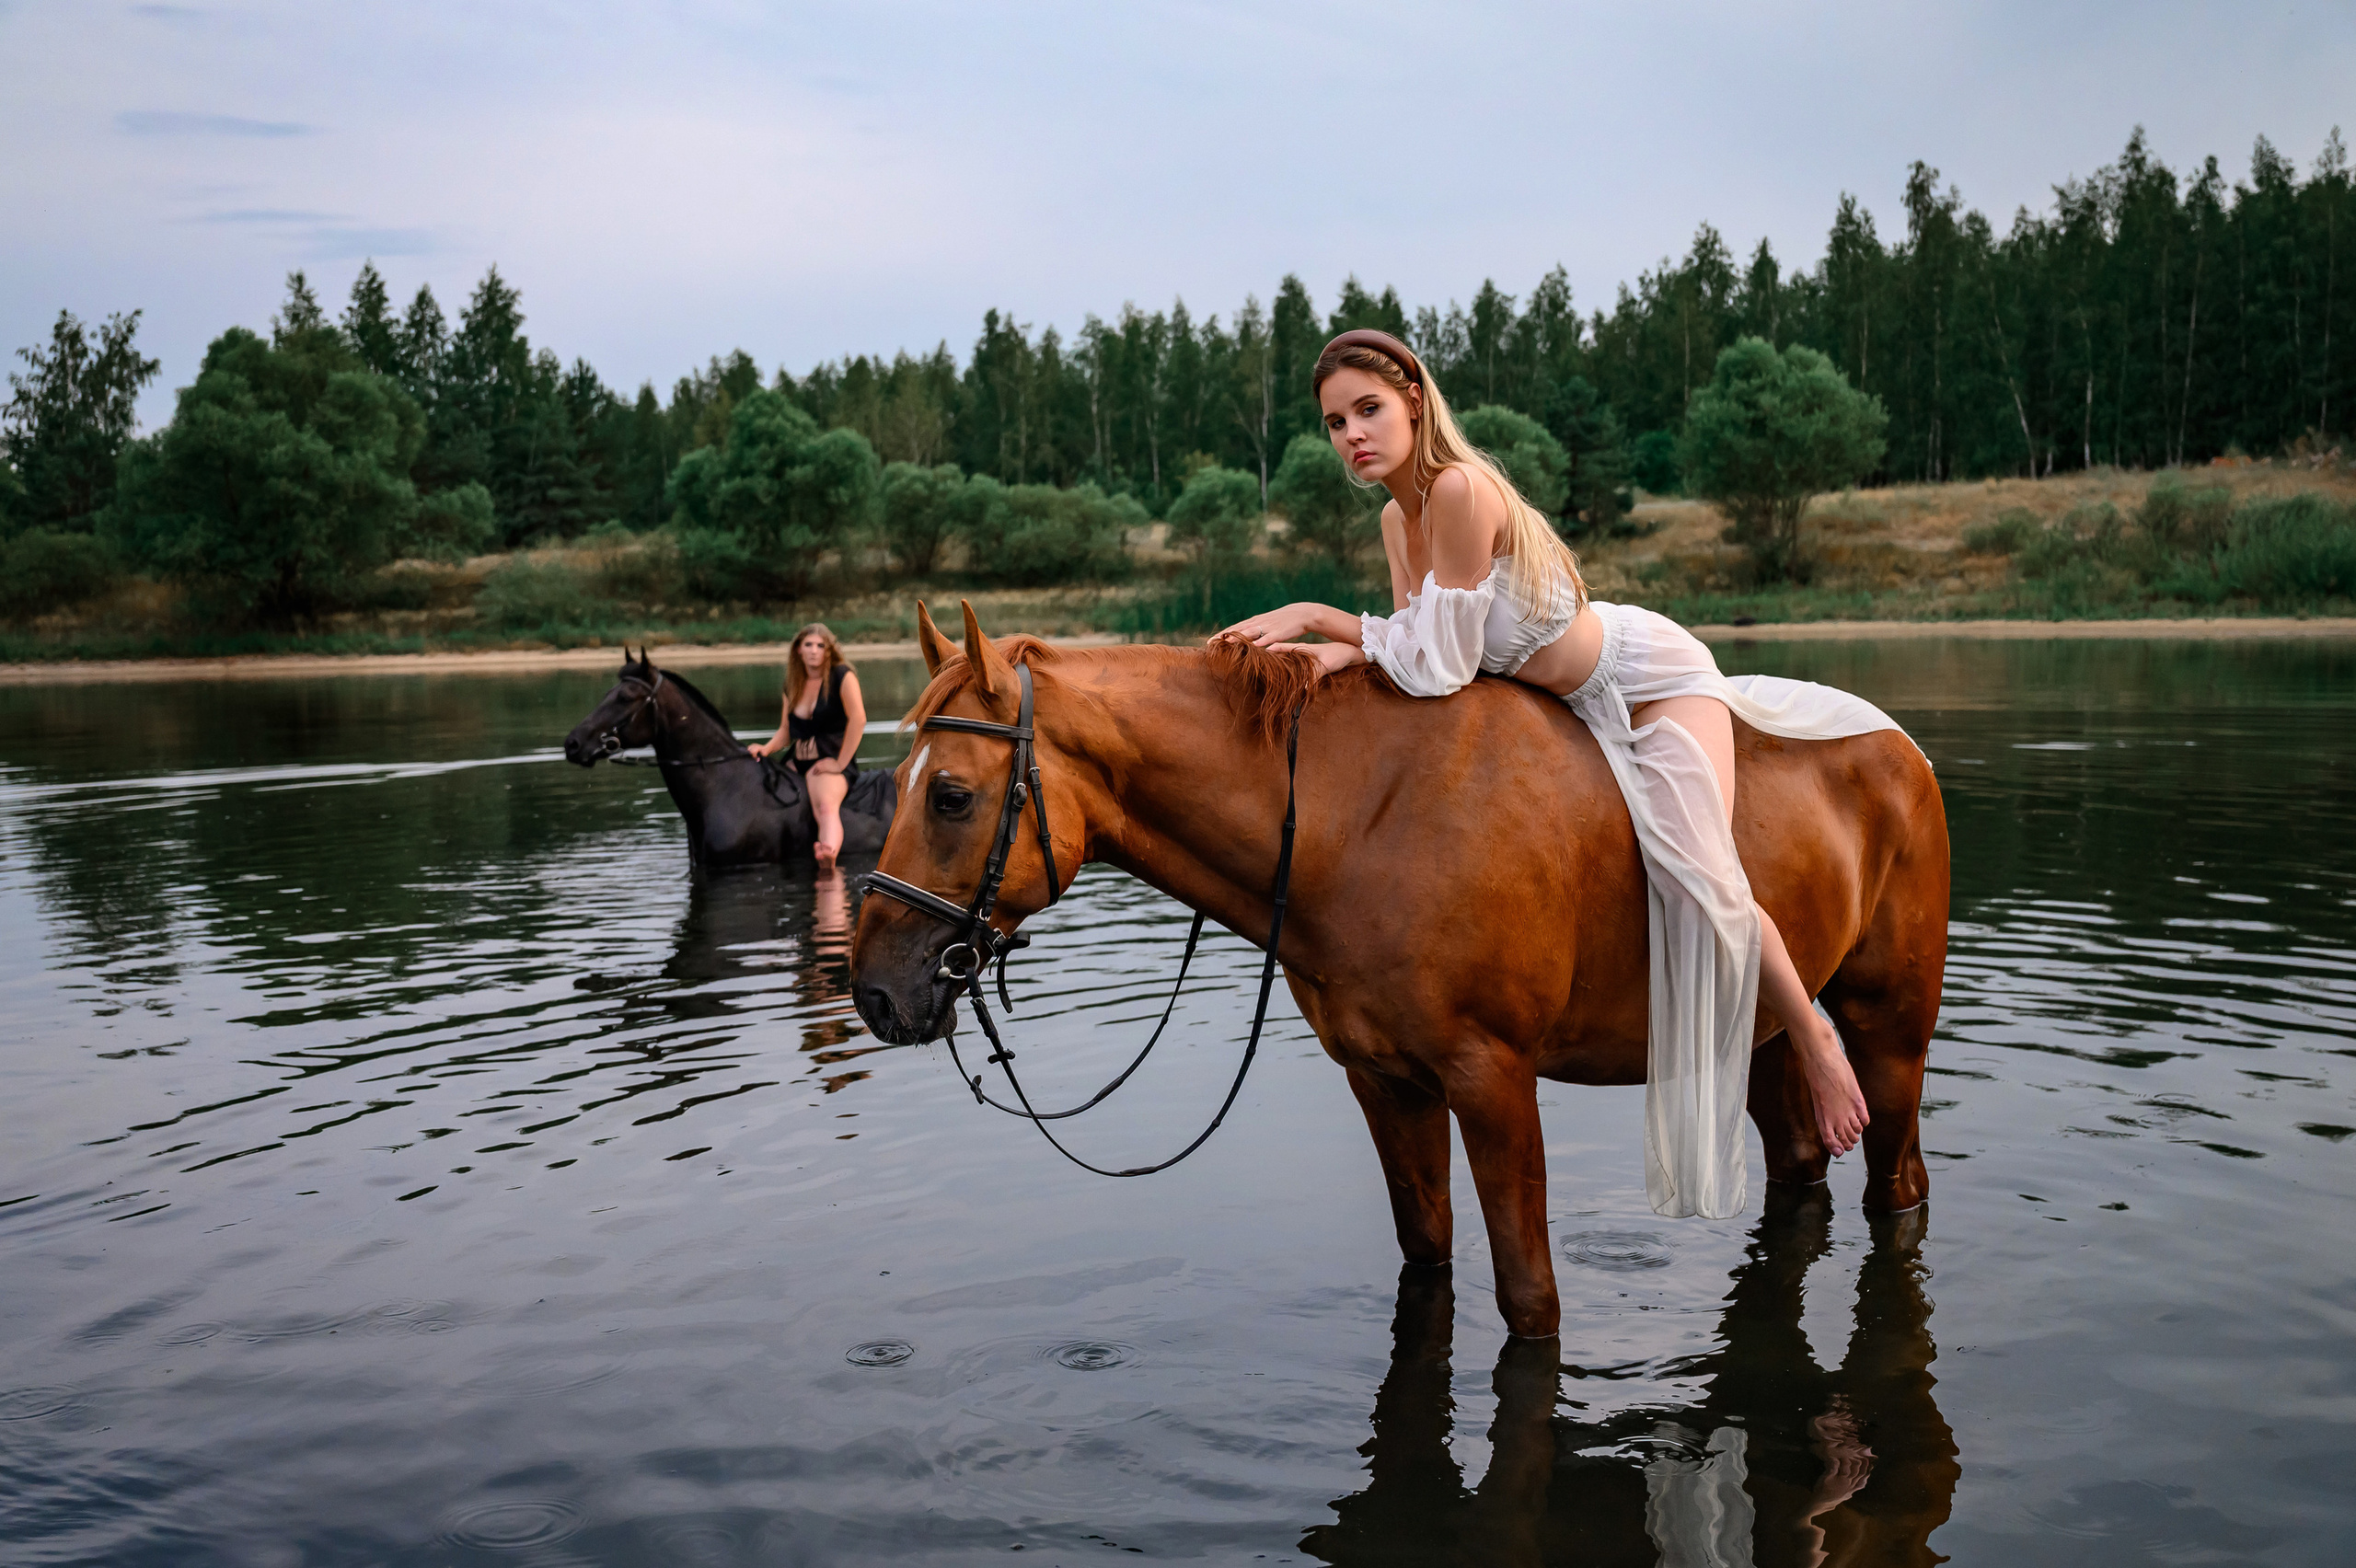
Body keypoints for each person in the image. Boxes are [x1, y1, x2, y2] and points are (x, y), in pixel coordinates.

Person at [1220, 329, 1906, 1221]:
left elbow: (1443, 667)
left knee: (1694, 867)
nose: (1351, 434)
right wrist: (1334, 661)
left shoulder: (1460, 491)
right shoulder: (1399, 519)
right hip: (1563, 706)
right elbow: (1416, 651)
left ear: (1415, 403)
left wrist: (1319, 622)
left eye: (1368, 409)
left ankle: (1812, 1039)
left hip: (1646, 682)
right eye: (1333, 422)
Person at [751, 622, 866, 871]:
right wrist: (766, 749)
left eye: (820, 646)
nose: (814, 650)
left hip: (829, 760)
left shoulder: (842, 676)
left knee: (825, 806)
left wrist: (839, 764)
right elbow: (785, 731)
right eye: (808, 645)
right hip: (797, 761)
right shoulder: (792, 683)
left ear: (829, 651)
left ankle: (828, 853)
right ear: (798, 650)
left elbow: (858, 720)